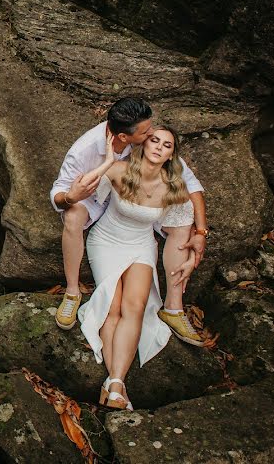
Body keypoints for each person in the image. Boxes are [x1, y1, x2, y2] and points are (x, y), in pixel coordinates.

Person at [49, 98, 209, 344]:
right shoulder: (85, 149)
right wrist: (71, 197)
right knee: (73, 215)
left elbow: (192, 185)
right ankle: (72, 292)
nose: (152, 134)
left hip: (141, 203)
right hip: (95, 196)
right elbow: (60, 191)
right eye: (147, 132)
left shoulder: (152, 140)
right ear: (125, 137)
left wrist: (200, 232)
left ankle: (174, 308)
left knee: (183, 221)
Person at [78, 126, 197, 409]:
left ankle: (115, 383)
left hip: (141, 245)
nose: (158, 147)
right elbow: (84, 186)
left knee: (136, 306)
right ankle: (117, 385)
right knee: (113, 306)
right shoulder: (120, 170)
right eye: (154, 140)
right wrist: (107, 160)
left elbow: (182, 229)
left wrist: (193, 254)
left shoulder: (174, 187)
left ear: (171, 154)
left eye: (166, 145)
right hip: (106, 240)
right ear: (144, 144)